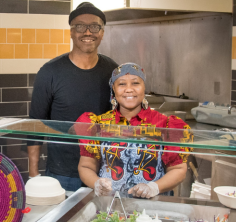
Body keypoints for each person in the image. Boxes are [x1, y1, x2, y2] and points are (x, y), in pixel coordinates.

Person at [27, 2, 118, 191]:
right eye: (80, 26)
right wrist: (33, 174)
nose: (87, 32)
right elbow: (35, 124)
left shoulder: (112, 70)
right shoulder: (50, 72)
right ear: (71, 31)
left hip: (104, 172)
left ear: (102, 32)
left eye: (94, 26)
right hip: (62, 172)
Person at [76, 63, 193, 198]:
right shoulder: (98, 124)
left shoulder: (165, 125)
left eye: (135, 83)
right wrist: (97, 183)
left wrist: (154, 187)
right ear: (113, 89)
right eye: (122, 84)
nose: (129, 89)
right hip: (110, 205)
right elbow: (86, 167)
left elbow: (178, 169)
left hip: (152, 209)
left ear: (144, 88)